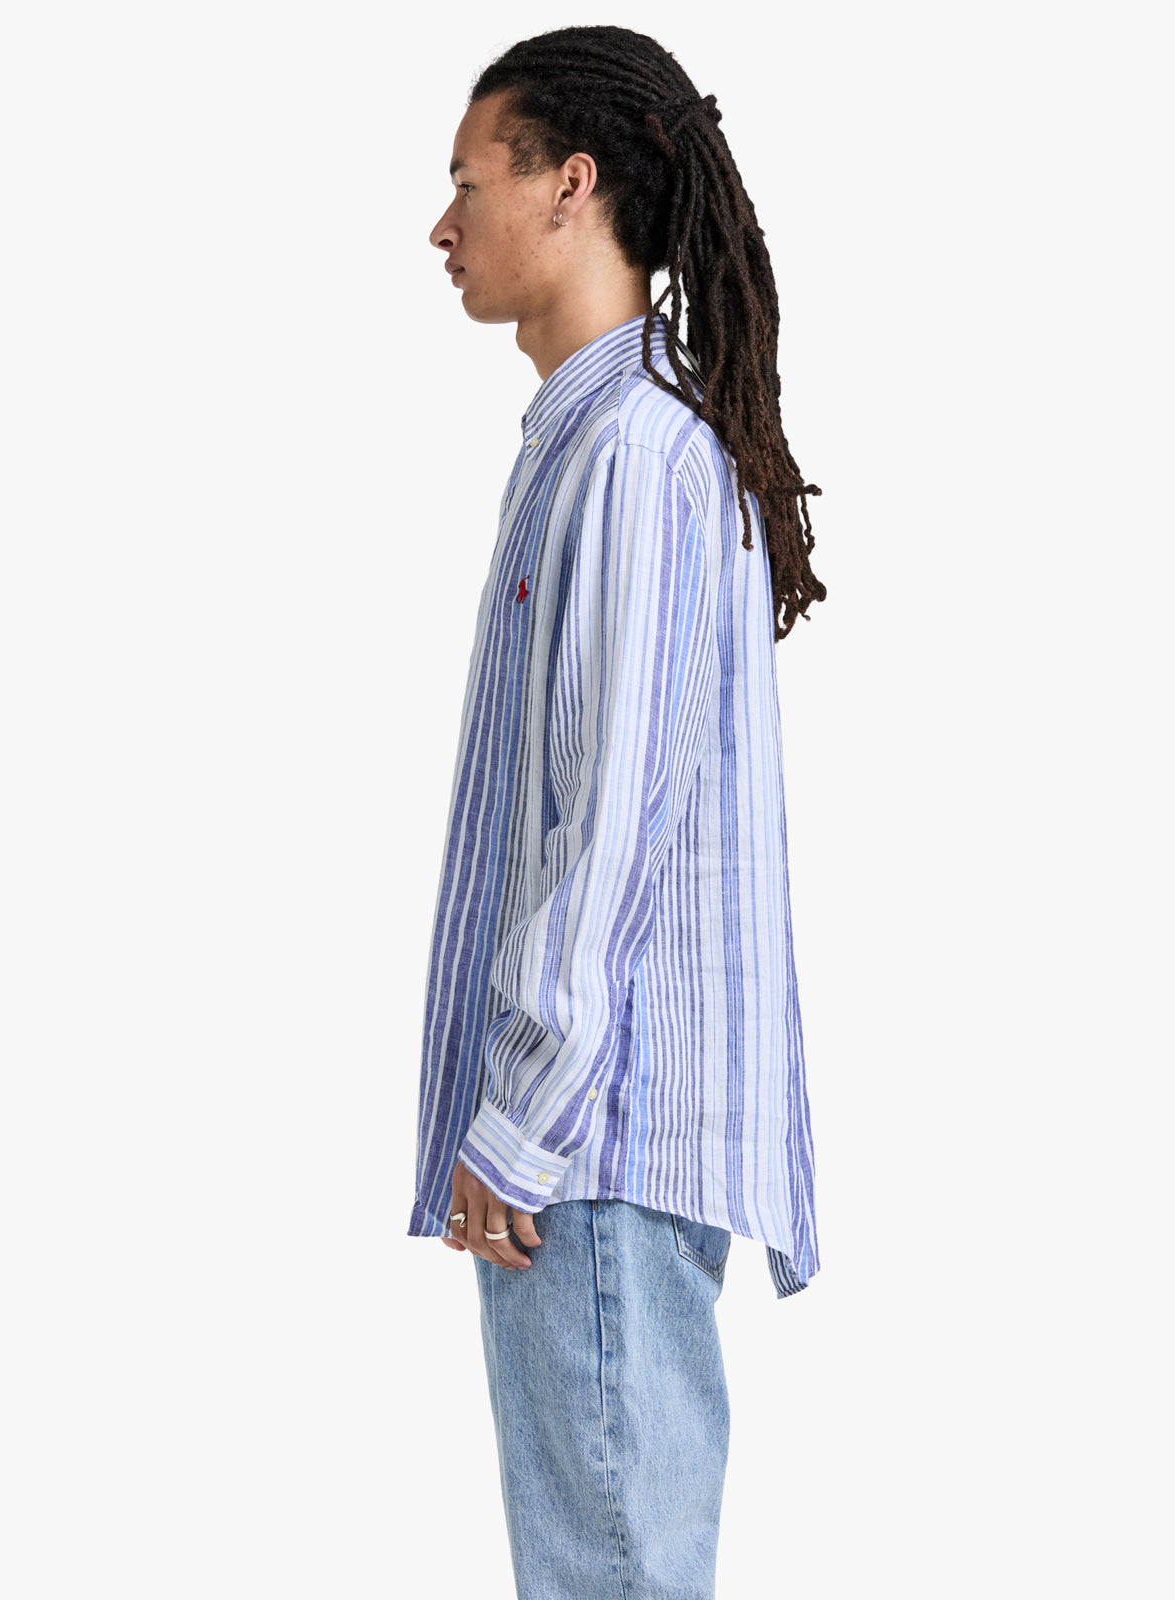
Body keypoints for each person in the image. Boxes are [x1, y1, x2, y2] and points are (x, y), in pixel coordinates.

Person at [406, 25, 828, 1600]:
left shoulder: (635, 457)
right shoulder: (600, 441)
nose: (441, 225)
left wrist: (516, 1119)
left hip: (594, 1143)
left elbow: (611, 828)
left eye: (468, 182)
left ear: (567, 184)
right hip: (601, 1141)